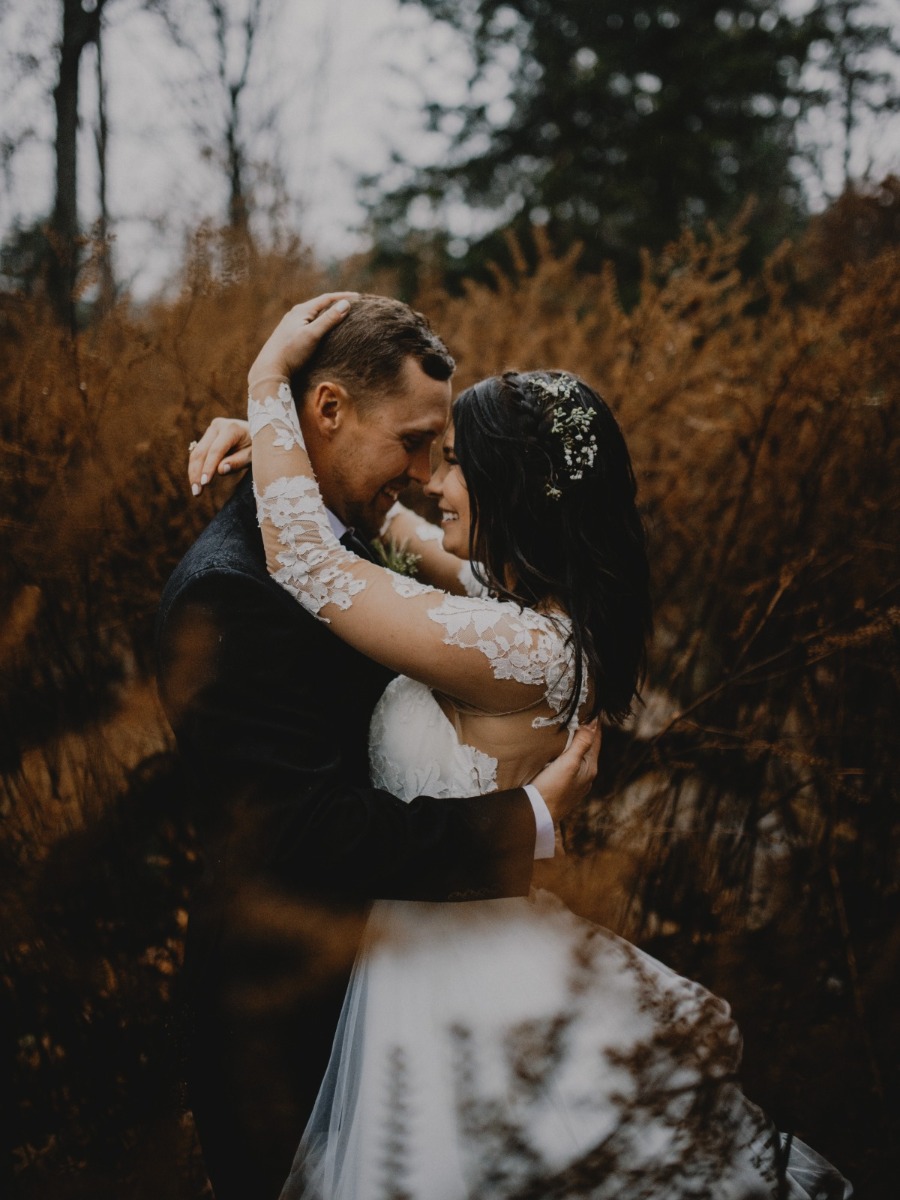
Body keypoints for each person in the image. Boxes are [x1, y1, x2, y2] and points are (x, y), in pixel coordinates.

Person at [196, 296, 852, 1199]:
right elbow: (392, 528)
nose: (431, 480)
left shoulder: (524, 653)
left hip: (457, 981)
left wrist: (270, 381)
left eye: (455, 463)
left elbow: (310, 562)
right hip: (430, 954)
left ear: (512, 494)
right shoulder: (522, 606)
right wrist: (287, 444)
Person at [155, 294, 601, 1200]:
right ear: (327, 411)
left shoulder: (354, 545)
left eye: (446, 452)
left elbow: (339, 559)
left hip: (410, 1001)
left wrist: (276, 425)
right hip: (288, 1027)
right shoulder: (230, 594)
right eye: (414, 442)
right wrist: (527, 824)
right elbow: (302, 830)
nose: (430, 475)